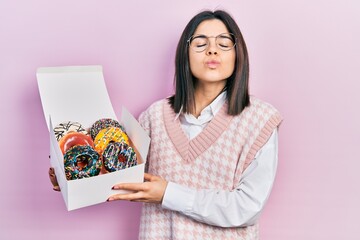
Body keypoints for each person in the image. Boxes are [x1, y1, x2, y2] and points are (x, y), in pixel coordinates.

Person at [50, 9, 282, 240]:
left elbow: (246, 207)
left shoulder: (260, 121)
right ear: (185, 53)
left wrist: (168, 194)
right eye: (200, 43)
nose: (212, 49)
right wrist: (73, 180)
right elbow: (122, 176)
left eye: (224, 43)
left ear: (238, 53)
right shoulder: (153, 117)